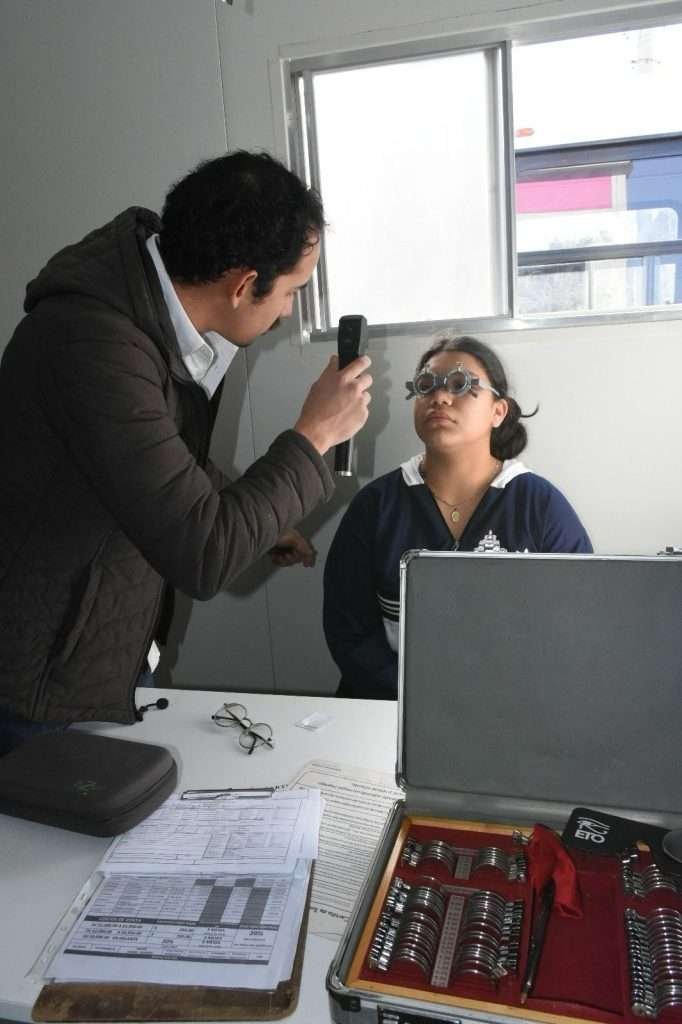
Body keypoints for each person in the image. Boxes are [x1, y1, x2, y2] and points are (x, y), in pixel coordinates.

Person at [0, 150, 371, 747]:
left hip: (98, 656)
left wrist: (256, 515)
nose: (288, 311)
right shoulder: (94, 343)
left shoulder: (146, 312)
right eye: (292, 291)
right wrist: (316, 434)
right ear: (244, 284)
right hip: (36, 683)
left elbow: (159, 466)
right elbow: (203, 553)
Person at [323, 334, 591, 700]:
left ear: (498, 411)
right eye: (426, 385)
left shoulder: (539, 506)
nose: (440, 397)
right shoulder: (375, 506)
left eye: (460, 383)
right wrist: (417, 697)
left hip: (510, 708)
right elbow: (349, 629)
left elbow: (576, 621)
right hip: (393, 705)